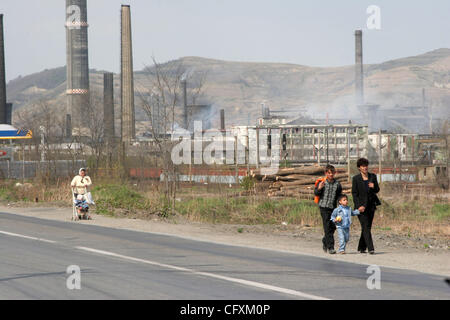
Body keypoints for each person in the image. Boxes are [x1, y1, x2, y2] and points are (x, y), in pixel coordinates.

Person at [352, 158, 381, 254]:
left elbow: (377, 190)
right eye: (363, 166)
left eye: (366, 165)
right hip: (361, 207)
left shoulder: (373, 176)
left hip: (371, 206)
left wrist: (374, 186)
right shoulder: (356, 179)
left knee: (367, 227)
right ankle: (371, 248)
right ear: (359, 168)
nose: (365, 167)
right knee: (365, 226)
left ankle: (361, 247)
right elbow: (354, 194)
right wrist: (358, 206)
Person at [314, 164, 343, 254]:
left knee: (333, 226)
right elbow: (316, 193)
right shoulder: (322, 182)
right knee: (327, 227)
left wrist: (340, 207)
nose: (331, 175)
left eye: (332, 173)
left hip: (333, 208)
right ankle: (331, 247)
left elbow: (339, 197)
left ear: (334, 173)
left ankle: (325, 240)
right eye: (329, 173)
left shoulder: (337, 184)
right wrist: (319, 188)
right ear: (326, 173)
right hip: (323, 207)